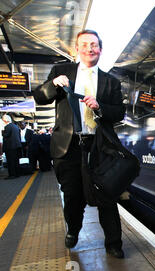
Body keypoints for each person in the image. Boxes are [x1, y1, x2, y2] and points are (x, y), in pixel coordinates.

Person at [33, 29, 125, 258]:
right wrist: (53, 83)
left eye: (94, 45)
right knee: (72, 195)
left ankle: (114, 243)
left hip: (99, 146)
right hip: (69, 146)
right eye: (84, 45)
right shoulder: (60, 71)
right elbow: (39, 97)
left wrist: (100, 107)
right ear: (76, 49)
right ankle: (73, 229)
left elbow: (120, 113)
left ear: (100, 50)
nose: (89, 48)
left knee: (107, 195)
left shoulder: (111, 82)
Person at [1, 115, 22, 179]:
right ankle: (17, 173)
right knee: (16, 160)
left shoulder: (7, 127)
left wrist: (2, 132)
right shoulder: (16, 126)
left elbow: (6, 135)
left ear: (5, 120)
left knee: (10, 161)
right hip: (17, 146)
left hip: (10, 147)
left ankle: (12, 175)